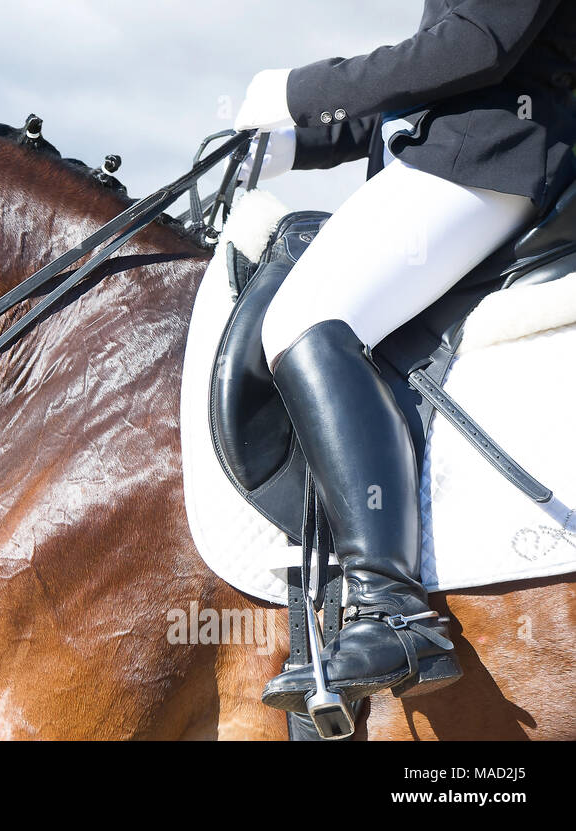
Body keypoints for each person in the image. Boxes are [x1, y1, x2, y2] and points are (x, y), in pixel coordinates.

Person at [232, 0, 576, 711]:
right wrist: (302, 140)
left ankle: (391, 609)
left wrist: (303, 92)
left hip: (493, 158)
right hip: (470, 150)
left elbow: (475, 47)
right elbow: (434, 73)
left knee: (305, 316)